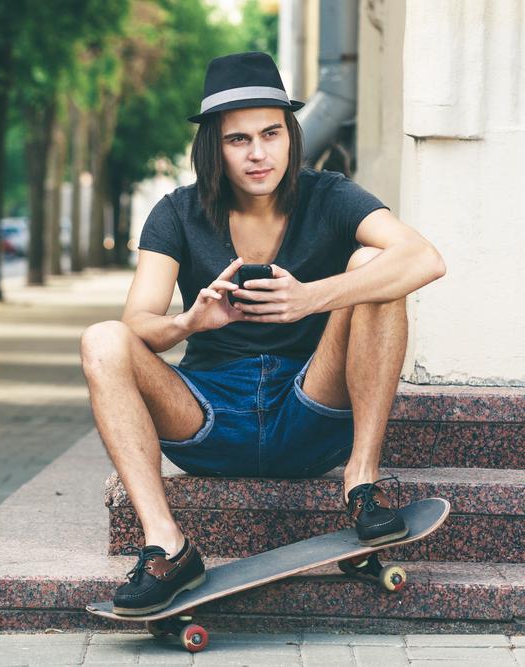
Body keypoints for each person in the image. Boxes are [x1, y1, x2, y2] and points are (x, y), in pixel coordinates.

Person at [79, 51, 446, 617]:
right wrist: (187, 322)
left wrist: (311, 297)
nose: (258, 154)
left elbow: (424, 257)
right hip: (208, 418)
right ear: (213, 148)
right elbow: (136, 326)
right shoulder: (176, 213)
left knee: (375, 267)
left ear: (291, 135)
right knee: (102, 338)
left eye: (271, 133)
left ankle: (363, 483)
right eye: (238, 140)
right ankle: (167, 547)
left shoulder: (328, 194)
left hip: (310, 408)